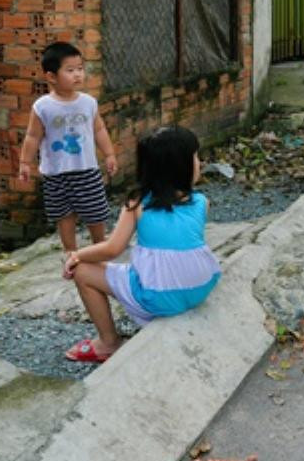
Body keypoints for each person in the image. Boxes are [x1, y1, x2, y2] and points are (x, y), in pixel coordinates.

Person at [59, 126, 221, 363]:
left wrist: (76, 256)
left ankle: (108, 343)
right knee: (133, 272)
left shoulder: (137, 204)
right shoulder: (201, 202)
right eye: (195, 157)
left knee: (82, 271)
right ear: (181, 167)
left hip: (157, 298)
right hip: (200, 288)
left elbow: (113, 249)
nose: (200, 162)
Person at [18, 42, 118, 256]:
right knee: (64, 216)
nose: (77, 74)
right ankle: (71, 254)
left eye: (80, 68)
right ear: (51, 76)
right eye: (70, 70)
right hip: (55, 174)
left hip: (86, 170)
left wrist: (109, 154)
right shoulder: (42, 107)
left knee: (95, 213)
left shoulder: (88, 103)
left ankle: (100, 247)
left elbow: (99, 130)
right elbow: (32, 136)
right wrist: (25, 162)